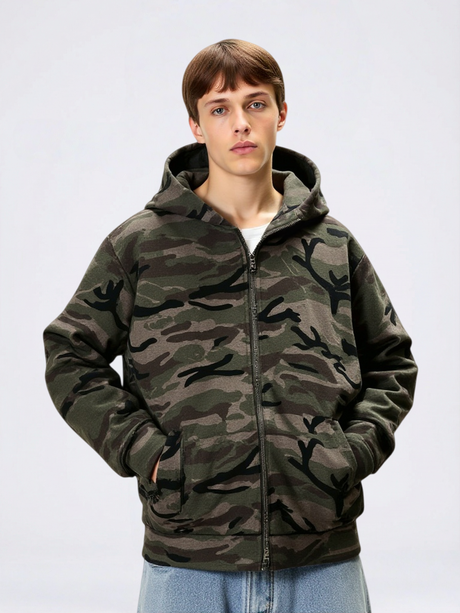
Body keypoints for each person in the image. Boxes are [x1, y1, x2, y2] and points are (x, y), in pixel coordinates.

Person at [43, 39, 417, 613]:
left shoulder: (332, 244)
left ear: (281, 114)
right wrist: (150, 452)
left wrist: (351, 453)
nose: (240, 123)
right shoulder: (140, 244)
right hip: (186, 562)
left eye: (256, 103)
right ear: (196, 125)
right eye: (220, 108)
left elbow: (392, 360)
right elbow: (70, 356)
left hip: (322, 557)